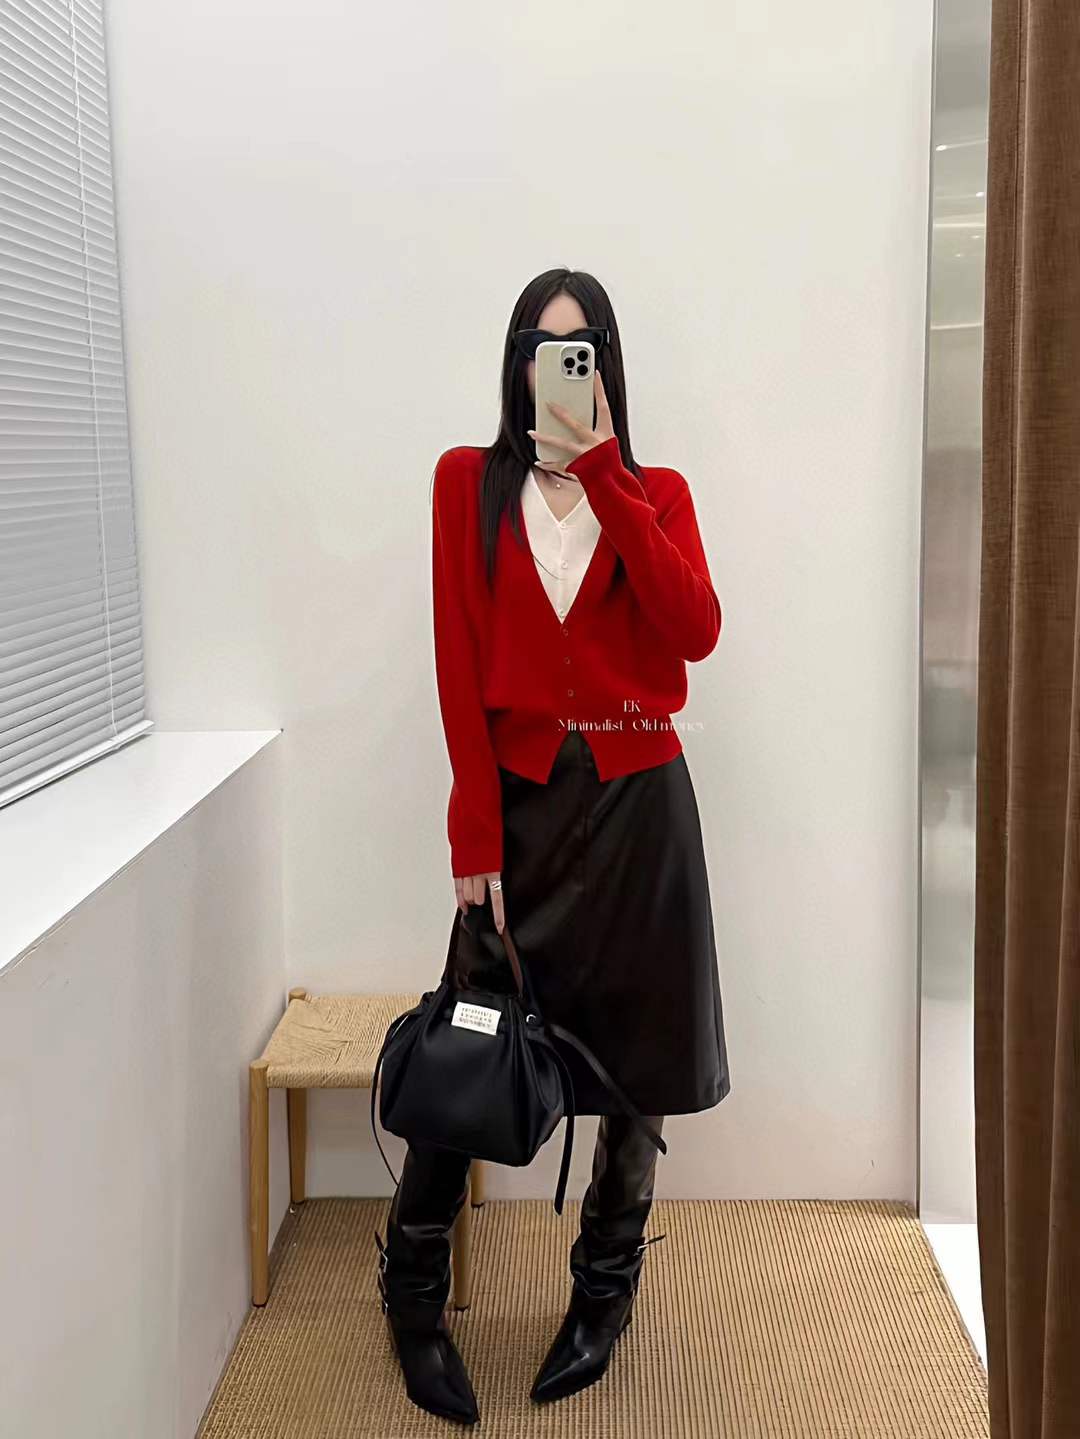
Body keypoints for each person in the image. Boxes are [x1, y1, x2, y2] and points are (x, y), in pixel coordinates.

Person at [375, 267, 731, 1426]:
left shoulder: (656, 493)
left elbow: (695, 630)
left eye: (582, 347)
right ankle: (412, 1295)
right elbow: (456, 659)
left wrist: (608, 476)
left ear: (608, 366)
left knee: (637, 1077)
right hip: (519, 811)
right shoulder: (465, 484)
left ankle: (602, 1296)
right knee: (467, 1049)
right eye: (543, 343)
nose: (562, 364)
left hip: (639, 812)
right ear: (518, 360)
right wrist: (472, 821)